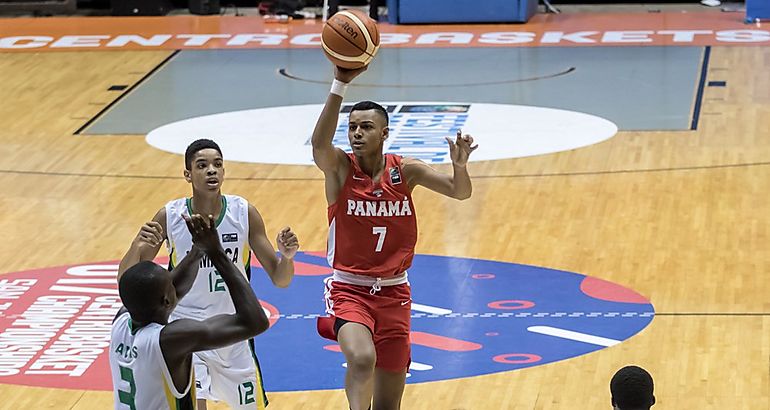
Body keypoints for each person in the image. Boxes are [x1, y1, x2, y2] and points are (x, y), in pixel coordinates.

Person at [311, 65, 478, 410]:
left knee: (389, 404)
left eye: (366, 127)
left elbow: (459, 193)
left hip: (394, 293)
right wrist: (339, 83)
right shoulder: (340, 169)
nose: (357, 133)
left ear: (384, 133)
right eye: (352, 127)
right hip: (349, 288)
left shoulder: (406, 171)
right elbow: (319, 144)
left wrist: (460, 167)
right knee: (360, 358)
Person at [118, 139, 299, 409]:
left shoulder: (243, 213)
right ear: (188, 174)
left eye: (217, 164)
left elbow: (280, 279)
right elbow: (127, 281)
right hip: (185, 331)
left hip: (232, 332)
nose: (211, 170)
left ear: (224, 171)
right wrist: (136, 245)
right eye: (202, 165)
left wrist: (287, 257)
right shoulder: (170, 215)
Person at [111, 214, 270, 409]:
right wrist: (217, 253)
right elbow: (255, 322)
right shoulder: (169, 341)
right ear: (167, 300)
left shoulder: (121, 321)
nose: (173, 281)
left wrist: (197, 251)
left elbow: (170, 290)